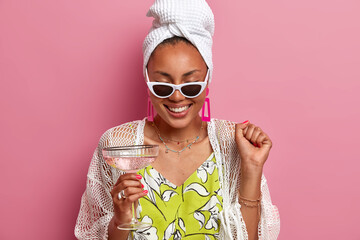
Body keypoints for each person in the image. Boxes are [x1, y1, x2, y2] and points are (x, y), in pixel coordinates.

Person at [74, 0, 280, 239]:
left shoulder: (232, 141)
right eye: (162, 86)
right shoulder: (119, 143)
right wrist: (121, 220)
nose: (177, 96)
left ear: (207, 82)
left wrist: (252, 169)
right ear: (147, 82)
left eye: (191, 85)